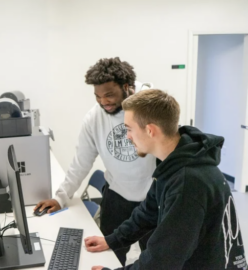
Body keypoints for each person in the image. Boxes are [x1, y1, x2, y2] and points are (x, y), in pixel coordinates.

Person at [85, 89, 247, 270]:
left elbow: (161, 261)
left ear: (150, 130)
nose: (128, 136)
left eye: (129, 129)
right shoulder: (175, 163)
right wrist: (113, 240)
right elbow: (148, 213)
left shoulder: (187, 183)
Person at [35, 57, 156, 265]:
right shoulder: (94, 118)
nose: (103, 102)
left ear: (127, 87)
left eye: (109, 95)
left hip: (153, 199)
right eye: (98, 96)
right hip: (117, 199)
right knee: (110, 257)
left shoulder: (152, 109)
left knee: (154, 259)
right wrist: (61, 197)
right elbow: (81, 161)